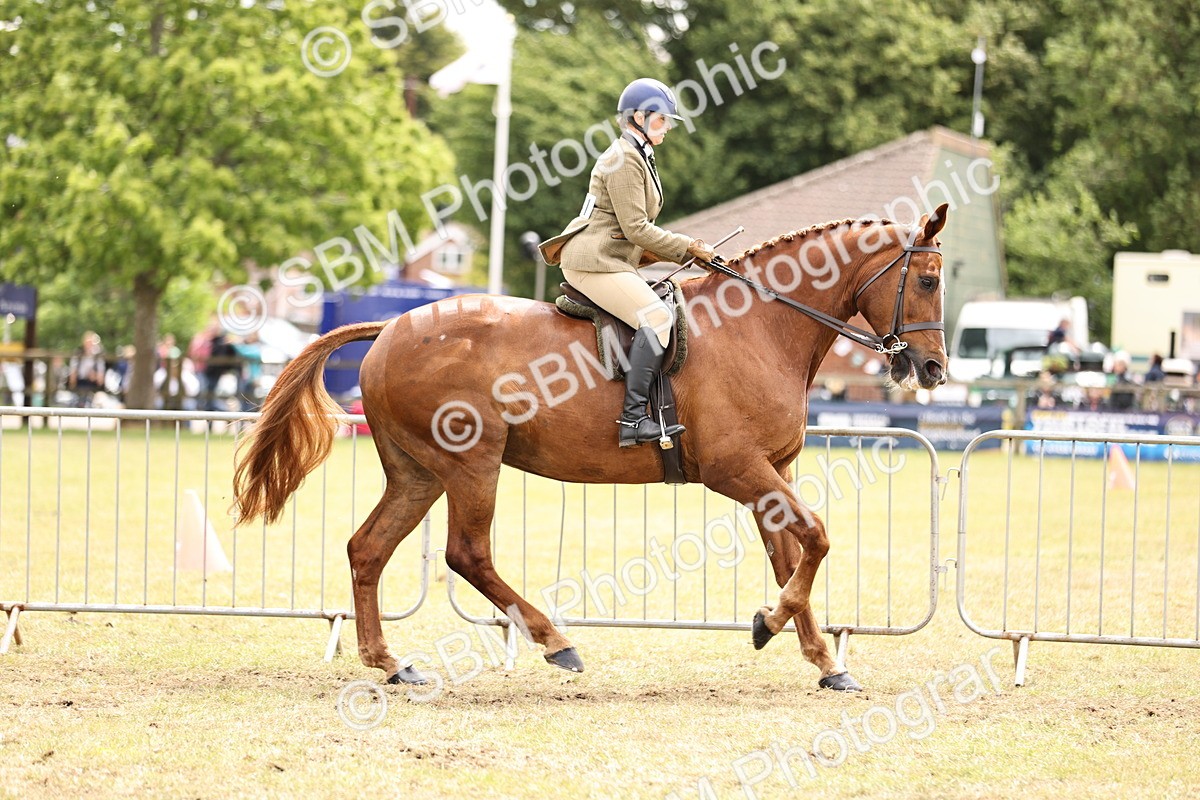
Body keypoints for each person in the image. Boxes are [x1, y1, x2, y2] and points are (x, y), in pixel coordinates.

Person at [538, 78, 716, 447]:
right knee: (656, 317)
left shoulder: (639, 155)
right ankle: (633, 420)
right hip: (594, 262)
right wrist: (688, 247)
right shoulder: (623, 159)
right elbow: (636, 228)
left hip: (613, 258)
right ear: (638, 117)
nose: (667, 127)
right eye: (661, 119)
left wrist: (687, 252)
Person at [66, 331, 106, 407]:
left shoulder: (98, 356)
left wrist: (95, 376)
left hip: (93, 385)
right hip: (79, 383)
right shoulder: (78, 353)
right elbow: (72, 373)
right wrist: (73, 383)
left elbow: (101, 377)